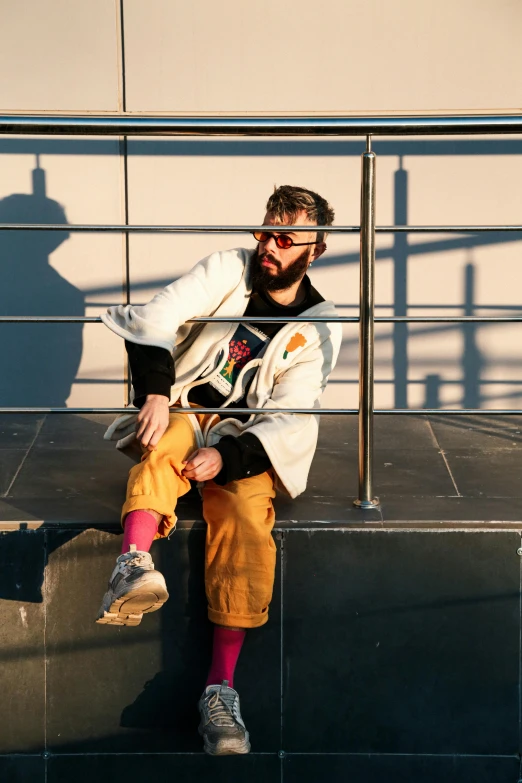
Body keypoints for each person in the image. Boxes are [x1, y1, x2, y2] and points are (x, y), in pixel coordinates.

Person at [96, 185, 341, 755]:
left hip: (243, 436)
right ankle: (131, 564)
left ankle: (219, 690)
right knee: (160, 445)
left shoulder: (319, 328)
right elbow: (158, 316)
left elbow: (292, 416)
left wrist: (226, 458)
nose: (268, 247)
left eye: (284, 239)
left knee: (247, 518)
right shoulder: (229, 268)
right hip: (186, 403)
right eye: (264, 233)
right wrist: (156, 394)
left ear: (316, 250)